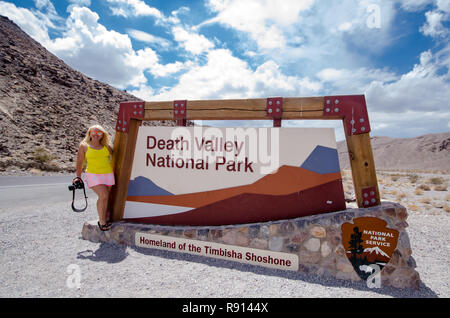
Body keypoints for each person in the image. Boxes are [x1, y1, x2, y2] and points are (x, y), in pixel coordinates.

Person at [74, 124, 115, 231]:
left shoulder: (107, 146)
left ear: (102, 134)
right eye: (93, 132)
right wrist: (78, 177)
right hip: (93, 175)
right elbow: (80, 162)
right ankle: (102, 222)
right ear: (89, 133)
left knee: (104, 198)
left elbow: (116, 158)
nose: (96, 134)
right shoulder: (84, 146)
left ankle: (102, 218)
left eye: (99, 132)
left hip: (108, 174)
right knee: (104, 195)